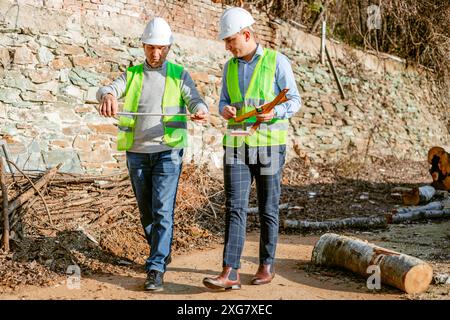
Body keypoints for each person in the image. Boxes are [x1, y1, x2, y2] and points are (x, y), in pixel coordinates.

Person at [97, 17, 208, 291]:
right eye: (151, 48)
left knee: (162, 209)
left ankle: (156, 267)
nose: (156, 54)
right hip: (137, 152)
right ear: (143, 46)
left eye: (161, 48)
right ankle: (161, 249)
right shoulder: (132, 74)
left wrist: (201, 108)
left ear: (168, 47)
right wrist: (107, 96)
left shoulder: (178, 74)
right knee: (146, 210)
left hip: (168, 151)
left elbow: (194, 98)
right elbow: (107, 88)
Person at [203, 7, 301, 290]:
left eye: (230, 40)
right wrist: (226, 110)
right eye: (225, 41)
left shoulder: (276, 61)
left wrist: (276, 113)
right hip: (236, 146)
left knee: (268, 208)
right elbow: (222, 102)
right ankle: (230, 271)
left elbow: (294, 100)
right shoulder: (229, 66)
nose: (227, 46)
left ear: (246, 34)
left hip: (269, 146)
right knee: (235, 207)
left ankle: (266, 265)